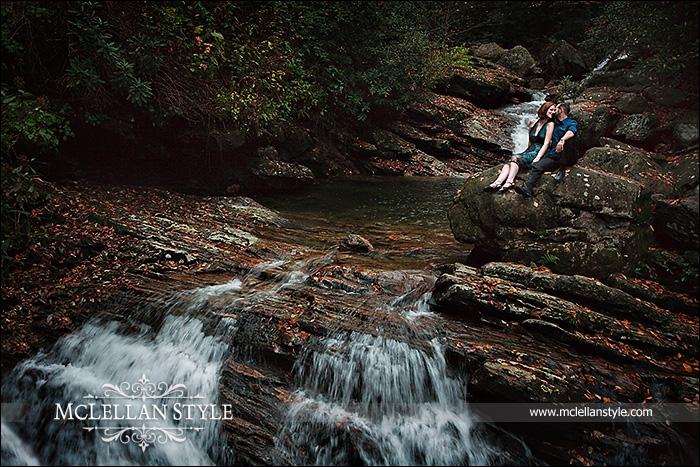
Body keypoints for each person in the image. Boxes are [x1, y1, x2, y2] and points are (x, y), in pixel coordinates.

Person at [483, 101, 557, 193]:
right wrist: (526, 151)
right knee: (510, 160)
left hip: (540, 151)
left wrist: (538, 158)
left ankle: (510, 181)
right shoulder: (533, 122)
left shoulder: (550, 124)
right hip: (531, 149)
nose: (553, 112)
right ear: (545, 109)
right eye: (551, 110)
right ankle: (497, 183)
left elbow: (546, 143)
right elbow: (530, 139)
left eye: (554, 110)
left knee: (515, 158)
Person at [514, 102, 578, 197]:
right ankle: (527, 189)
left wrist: (562, 139)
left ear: (560, 110)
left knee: (568, 141)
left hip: (568, 155)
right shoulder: (553, 124)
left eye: (555, 109)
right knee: (537, 166)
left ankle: (562, 169)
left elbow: (571, 132)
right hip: (554, 155)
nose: (553, 111)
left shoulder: (571, 122)